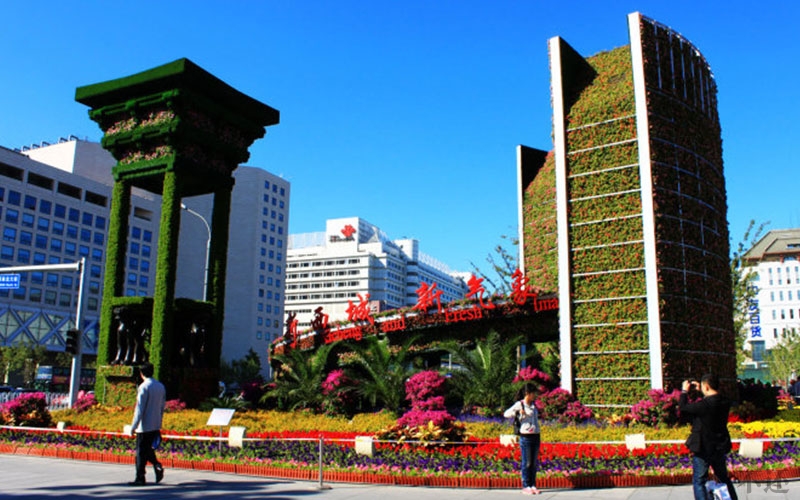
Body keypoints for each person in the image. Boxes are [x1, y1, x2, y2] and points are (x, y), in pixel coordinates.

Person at [679, 374, 738, 500]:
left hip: (703, 447)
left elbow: (683, 408)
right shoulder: (724, 401)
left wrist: (684, 391)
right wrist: (702, 390)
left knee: (699, 480)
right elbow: (709, 403)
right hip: (719, 445)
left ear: (706, 387)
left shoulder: (704, 405)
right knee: (723, 478)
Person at [129, 363, 166, 486]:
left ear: (141, 373)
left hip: (144, 426)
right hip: (155, 424)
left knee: (140, 452)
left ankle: (140, 477)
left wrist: (133, 426)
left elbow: (139, 409)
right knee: (147, 449)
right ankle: (156, 465)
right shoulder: (160, 386)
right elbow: (162, 407)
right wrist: (159, 422)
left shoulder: (144, 387)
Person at [504, 382, 541, 495]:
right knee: (527, 462)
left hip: (536, 435)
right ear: (527, 393)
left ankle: (533, 484)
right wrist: (517, 412)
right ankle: (526, 485)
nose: (534, 395)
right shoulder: (520, 404)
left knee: (534, 463)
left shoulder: (534, 405)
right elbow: (506, 414)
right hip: (526, 437)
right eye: (533, 393)